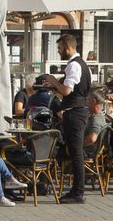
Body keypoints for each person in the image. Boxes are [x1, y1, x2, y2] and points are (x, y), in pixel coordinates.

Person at [44, 34, 91, 204]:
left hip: (75, 113)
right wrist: (53, 86)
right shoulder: (82, 65)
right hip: (77, 110)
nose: (58, 52)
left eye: (59, 48)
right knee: (73, 151)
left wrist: (53, 80)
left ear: (67, 46)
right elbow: (72, 91)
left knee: (76, 152)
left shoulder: (73, 66)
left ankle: (78, 192)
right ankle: (76, 190)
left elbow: (67, 91)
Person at [83, 92, 108, 158]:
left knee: (58, 150)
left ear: (93, 101)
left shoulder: (96, 119)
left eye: (87, 100)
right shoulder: (101, 117)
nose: (86, 103)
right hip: (90, 150)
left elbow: (92, 139)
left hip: (86, 151)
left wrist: (77, 145)